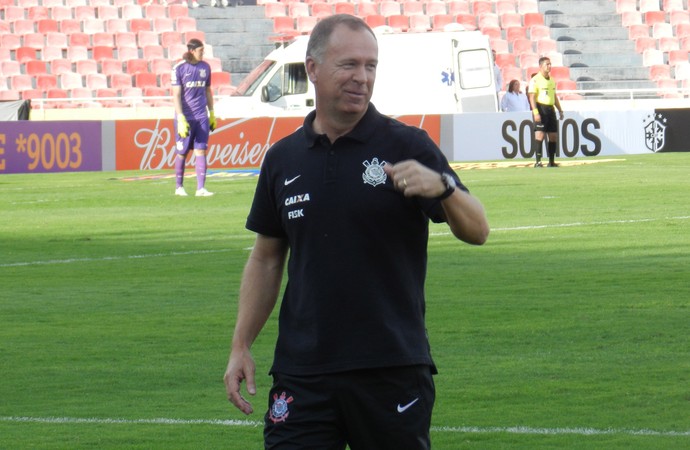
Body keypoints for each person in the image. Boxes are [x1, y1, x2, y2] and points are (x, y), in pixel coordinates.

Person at [223, 14, 489, 449]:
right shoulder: (283, 159)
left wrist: (444, 190)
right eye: (348, 65)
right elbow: (267, 257)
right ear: (312, 68)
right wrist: (241, 345)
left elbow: (478, 229)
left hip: (390, 369)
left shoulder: (408, 145)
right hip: (302, 372)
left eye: (371, 66)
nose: (362, 78)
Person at [171, 38, 216, 196]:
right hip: (186, 118)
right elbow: (176, 95)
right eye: (200, 51)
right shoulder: (179, 68)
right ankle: (179, 187)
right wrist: (180, 117)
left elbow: (208, 91)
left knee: (201, 150)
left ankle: (200, 189)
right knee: (182, 152)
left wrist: (212, 113)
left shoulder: (206, 67)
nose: (202, 53)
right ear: (192, 51)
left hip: (201, 116)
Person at [528, 57, 564, 167]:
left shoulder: (552, 80)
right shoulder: (535, 80)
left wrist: (560, 110)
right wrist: (535, 112)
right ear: (541, 66)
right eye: (547, 64)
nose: (549, 66)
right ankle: (538, 161)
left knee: (553, 135)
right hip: (541, 108)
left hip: (550, 109)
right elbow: (532, 97)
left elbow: (554, 96)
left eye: (550, 64)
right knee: (539, 135)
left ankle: (551, 161)